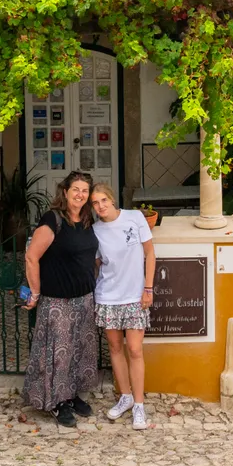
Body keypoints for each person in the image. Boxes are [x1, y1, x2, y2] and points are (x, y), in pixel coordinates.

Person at [22, 170, 99, 428]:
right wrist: (35, 292)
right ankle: (56, 402)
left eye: (85, 191)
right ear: (65, 192)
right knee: (58, 353)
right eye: (75, 189)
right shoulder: (52, 219)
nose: (80, 194)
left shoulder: (87, 220)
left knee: (78, 350)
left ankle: (70, 394)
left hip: (84, 298)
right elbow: (32, 257)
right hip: (58, 301)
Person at [90, 184, 155, 431]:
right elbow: (97, 264)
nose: (100, 206)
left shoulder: (134, 218)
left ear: (112, 199)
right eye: (95, 203)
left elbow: (150, 253)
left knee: (135, 349)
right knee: (115, 348)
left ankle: (139, 405)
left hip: (135, 296)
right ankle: (125, 396)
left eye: (103, 200)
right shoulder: (95, 230)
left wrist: (148, 288)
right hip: (108, 296)